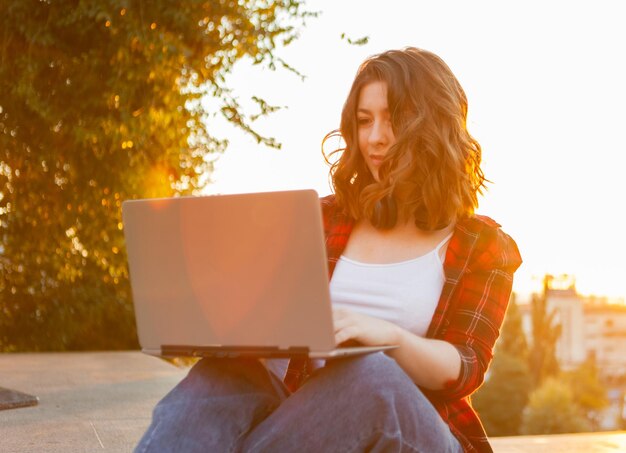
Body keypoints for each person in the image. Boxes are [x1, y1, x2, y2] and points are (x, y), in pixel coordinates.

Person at [135, 47, 522, 453]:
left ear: (434, 125)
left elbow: (466, 366)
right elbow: (278, 324)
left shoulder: (484, 245)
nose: (375, 138)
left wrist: (387, 337)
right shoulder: (322, 220)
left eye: (394, 119)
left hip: (421, 433)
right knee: (223, 377)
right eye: (363, 121)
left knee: (373, 377)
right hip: (317, 428)